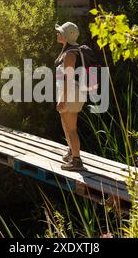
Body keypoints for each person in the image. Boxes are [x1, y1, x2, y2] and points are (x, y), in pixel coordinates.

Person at [54, 22, 86, 171]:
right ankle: (71, 151)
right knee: (66, 125)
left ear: (66, 36)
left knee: (71, 128)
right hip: (72, 92)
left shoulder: (69, 54)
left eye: (60, 32)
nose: (57, 33)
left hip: (70, 93)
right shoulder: (72, 50)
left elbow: (69, 77)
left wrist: (63, 98)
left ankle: (76, 160)